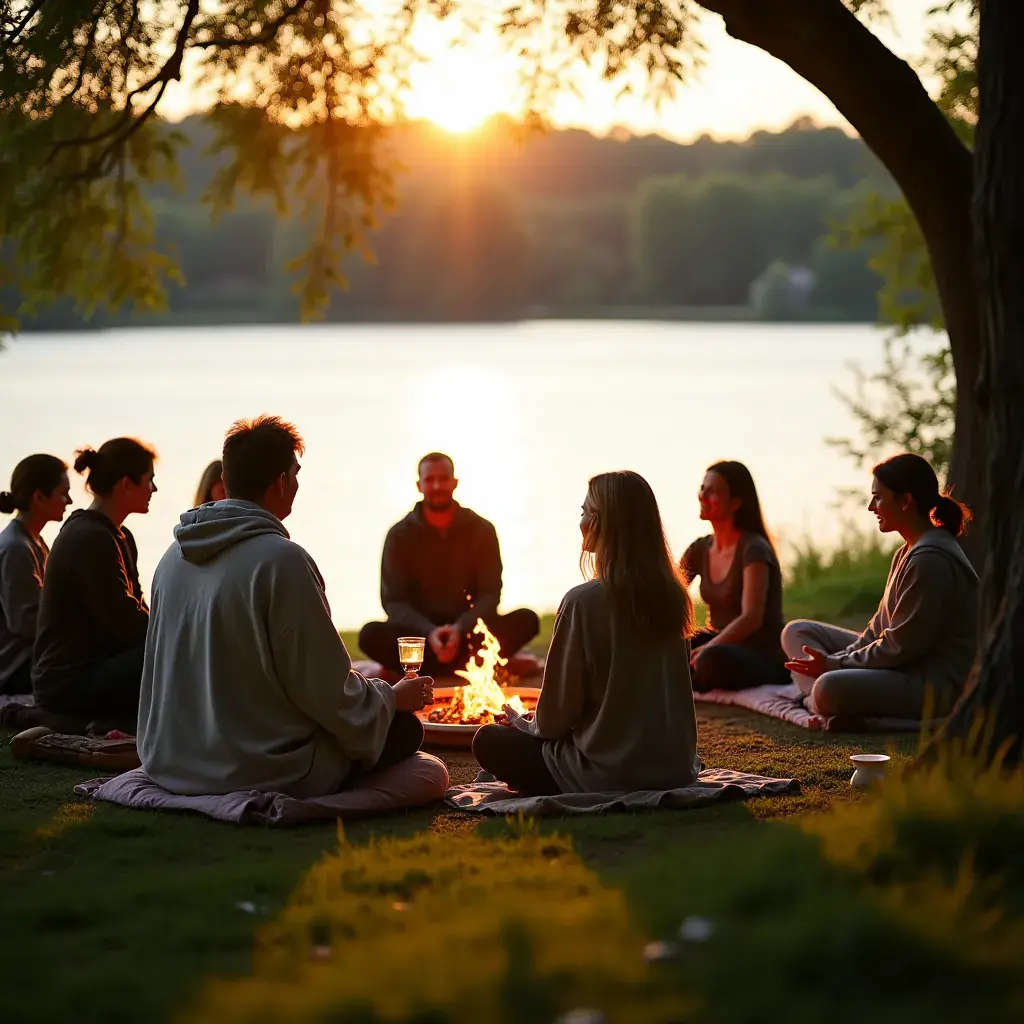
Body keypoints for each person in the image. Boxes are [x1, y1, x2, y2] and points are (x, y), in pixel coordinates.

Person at [137, 416, 432, 797]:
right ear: (281, 481)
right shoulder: (281, 561)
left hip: (172, 759)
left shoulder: (171, 557)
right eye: (295, 473)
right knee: (406, 730)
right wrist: (391, 697)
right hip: (254, 766)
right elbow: (325, 689)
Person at [472, 470, 700, 796]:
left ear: (600, 522)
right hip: (673, 768)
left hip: (608, 772)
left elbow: (554, 722)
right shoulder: (676, 597)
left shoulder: (582, 602)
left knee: (489, 740)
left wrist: (523, 722)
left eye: (583, 512)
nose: (579, 522)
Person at [782, 453, 978, 720]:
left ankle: (813, 699)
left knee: (829, 688)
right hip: (900, 666)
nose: (871, 507)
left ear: (906, 501)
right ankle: (813, 697)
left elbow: (899, 648)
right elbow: (876, 630)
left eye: (878, 497)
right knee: (796, 631)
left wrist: (832, 665)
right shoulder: (906, 552)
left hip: (931, 681)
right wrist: (834, 661)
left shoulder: (930, 560)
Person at [358, 452, 540, 677]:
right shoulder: (399, 535)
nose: (437, 485)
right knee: (369, 635)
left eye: (443, 479)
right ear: (419, 485)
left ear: (454, 482)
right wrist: (430, 632)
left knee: (527, 619)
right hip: (422, 638)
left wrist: (459, 629)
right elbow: (393, 602)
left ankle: (412, 671)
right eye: (429, 480)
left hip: (469, 634)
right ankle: (489, 667)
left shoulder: (482, 529)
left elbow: (490, 595)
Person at [32, 439, 155, 724]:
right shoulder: (91, 537)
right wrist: (180, 633)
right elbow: (124, 622)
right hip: (68, 683)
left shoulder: (118, 536)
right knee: (167, 651)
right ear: (126, 484)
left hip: (98, 666)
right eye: (149, 480)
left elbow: (136, 611)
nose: (154, 489)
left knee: (168, 646)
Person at [680, 461, 788, 692]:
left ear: (736, 502)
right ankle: (685, 678)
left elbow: (751, 618)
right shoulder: (699, 549)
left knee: (711, 660)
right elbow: (670, 592)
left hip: (758, 652)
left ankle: (688, 679)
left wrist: (708, 648)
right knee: (674, 649)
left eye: (713, 491)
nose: (702, 496)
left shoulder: (753, 549)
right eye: (702, 488)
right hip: (718, 640)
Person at [0, 456, 72, 695]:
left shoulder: (34, 542)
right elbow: (24, 621)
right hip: (15, 667)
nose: (69, 501)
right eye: (63, 493)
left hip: (33, 659)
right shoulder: (16, 548)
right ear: (39, 497)